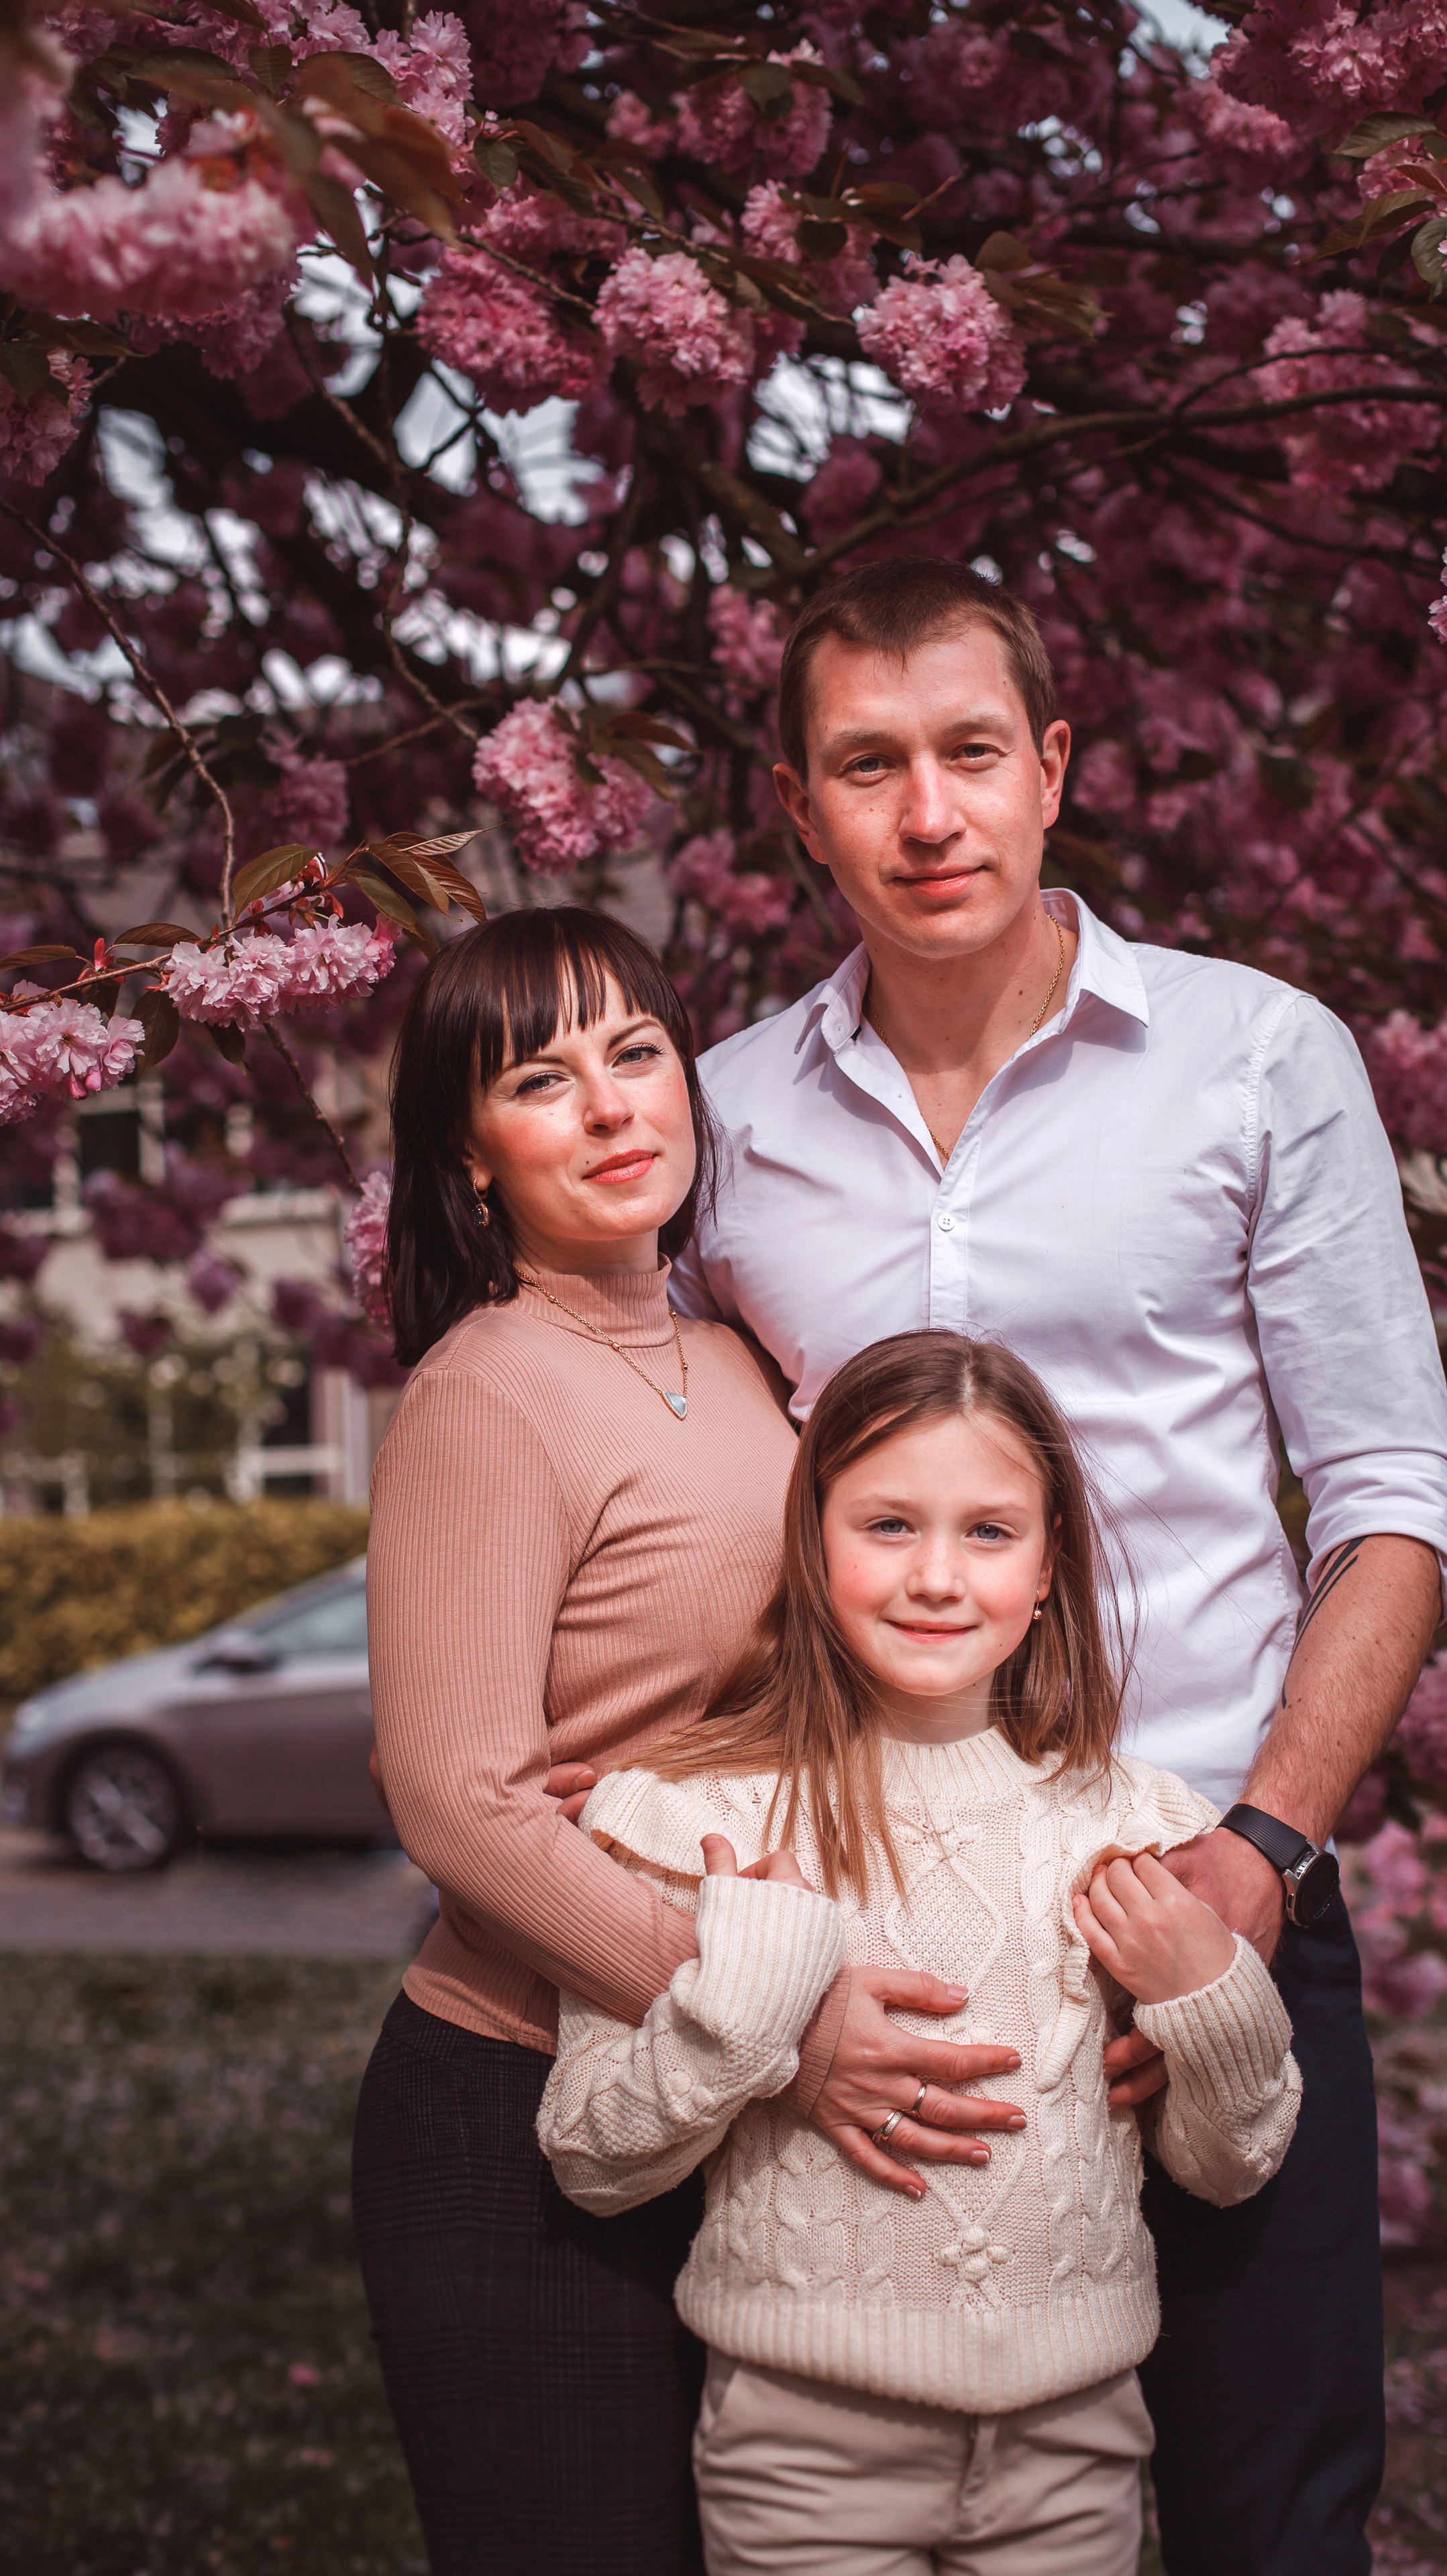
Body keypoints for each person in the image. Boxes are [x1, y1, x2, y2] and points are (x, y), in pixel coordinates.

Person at [646, 559, 1447, 2576]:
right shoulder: (727, 1121)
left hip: (1211, 1889)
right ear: (799, 804)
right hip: (879, 1946)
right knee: (892, 2504)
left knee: (1274, 2521)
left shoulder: (1258, 1057)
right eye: (870, 766)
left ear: (1056, 768)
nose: (929, 815)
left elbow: (1392, 1494)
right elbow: (673, 1495)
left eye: (972, 755)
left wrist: (1258, 1860)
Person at [354, 906, 1030, 2576]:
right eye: (540, 1079)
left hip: (708, 2103)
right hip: (515, 2098)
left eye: (636, 1054)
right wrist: (779, 2018)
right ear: (469, 1148)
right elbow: (455, 1801)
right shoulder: (484, 1389)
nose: (609, 1107)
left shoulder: (739, 1361)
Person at [538, 1331, 1302, 2576]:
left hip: (1079, 2452)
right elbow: (593, 2160)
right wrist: (746, 2000)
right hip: (805, 2457)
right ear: (814, 1538)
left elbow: (1231, 2164)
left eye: (990, 1533)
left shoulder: (1145, 1826)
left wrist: (1208, 1995)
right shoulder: (692, 1819)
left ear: (1052, 1564)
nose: (937, 1577)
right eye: (888, 1525)